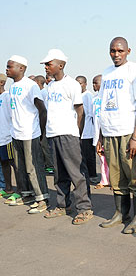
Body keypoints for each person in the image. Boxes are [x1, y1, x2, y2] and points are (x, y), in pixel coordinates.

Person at [97, 37, 136, 234]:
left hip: (128, 132)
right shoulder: (107, 73)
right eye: (112, 51)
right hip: (109, 132)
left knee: (134, 175)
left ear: (128, 51)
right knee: (116, 177)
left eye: (120, 51)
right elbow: (102, 105)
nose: (116, 54)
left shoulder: (134, 71)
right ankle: (121, 213)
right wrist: (100, 136)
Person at [40, 49, 93, 225]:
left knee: (76, 173)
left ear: (60, 65)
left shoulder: (72, 85)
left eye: (49, 64)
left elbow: (80, 112)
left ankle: (85, 208)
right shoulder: (50, 86)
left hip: (68, 134)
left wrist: (76, 134)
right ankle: (63, 205)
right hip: (53, 134)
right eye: (46, 65)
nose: (46, 67)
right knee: (59, 173)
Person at [5, 55, 49, 213]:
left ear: (21, 68)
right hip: (16, 133)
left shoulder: (30, 86)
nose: (7, 69)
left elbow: (42, 110)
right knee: (20, 167)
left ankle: (42, 198)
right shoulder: (12, 87)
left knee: (33, 168)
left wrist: (42, 133)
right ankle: (27, 195)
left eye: (10, 66)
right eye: (7, 66)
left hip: (30, 133)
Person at [76, 75, 97, 183]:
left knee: (89, 155)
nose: (78, 85)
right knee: (81, 154)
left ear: (85, 84)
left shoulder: (88, 96)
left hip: (88, 130)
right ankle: (85, 174)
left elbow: (90, 113)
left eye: (80, 83)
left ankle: (92, 175)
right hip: (79, 130)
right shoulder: (77, 95)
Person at [0, 73, 17, 198]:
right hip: (0, 137)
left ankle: (21, 190)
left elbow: (12, 115)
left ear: (2, 83)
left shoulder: (7, 96)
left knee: (14, 163)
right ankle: (8, 188)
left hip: (8, 137)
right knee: (3, 163)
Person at [34, 75, 54, 175]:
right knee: (41, 145)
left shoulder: (44, 93)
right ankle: (46, 164)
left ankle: (50, 166)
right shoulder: (40, 93)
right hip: (39, 122)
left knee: (45, 145)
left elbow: (44, 110)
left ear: (37, 83)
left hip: (44, 122)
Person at [92, 74, 110, 189]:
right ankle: (104, 180)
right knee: (102, 159)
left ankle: (114, 181)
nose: (94, 85)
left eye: (96, 83)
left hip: (107, 133)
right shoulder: (94, 99)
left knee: (111, 159)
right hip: (97, 133)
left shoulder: (108, 98)